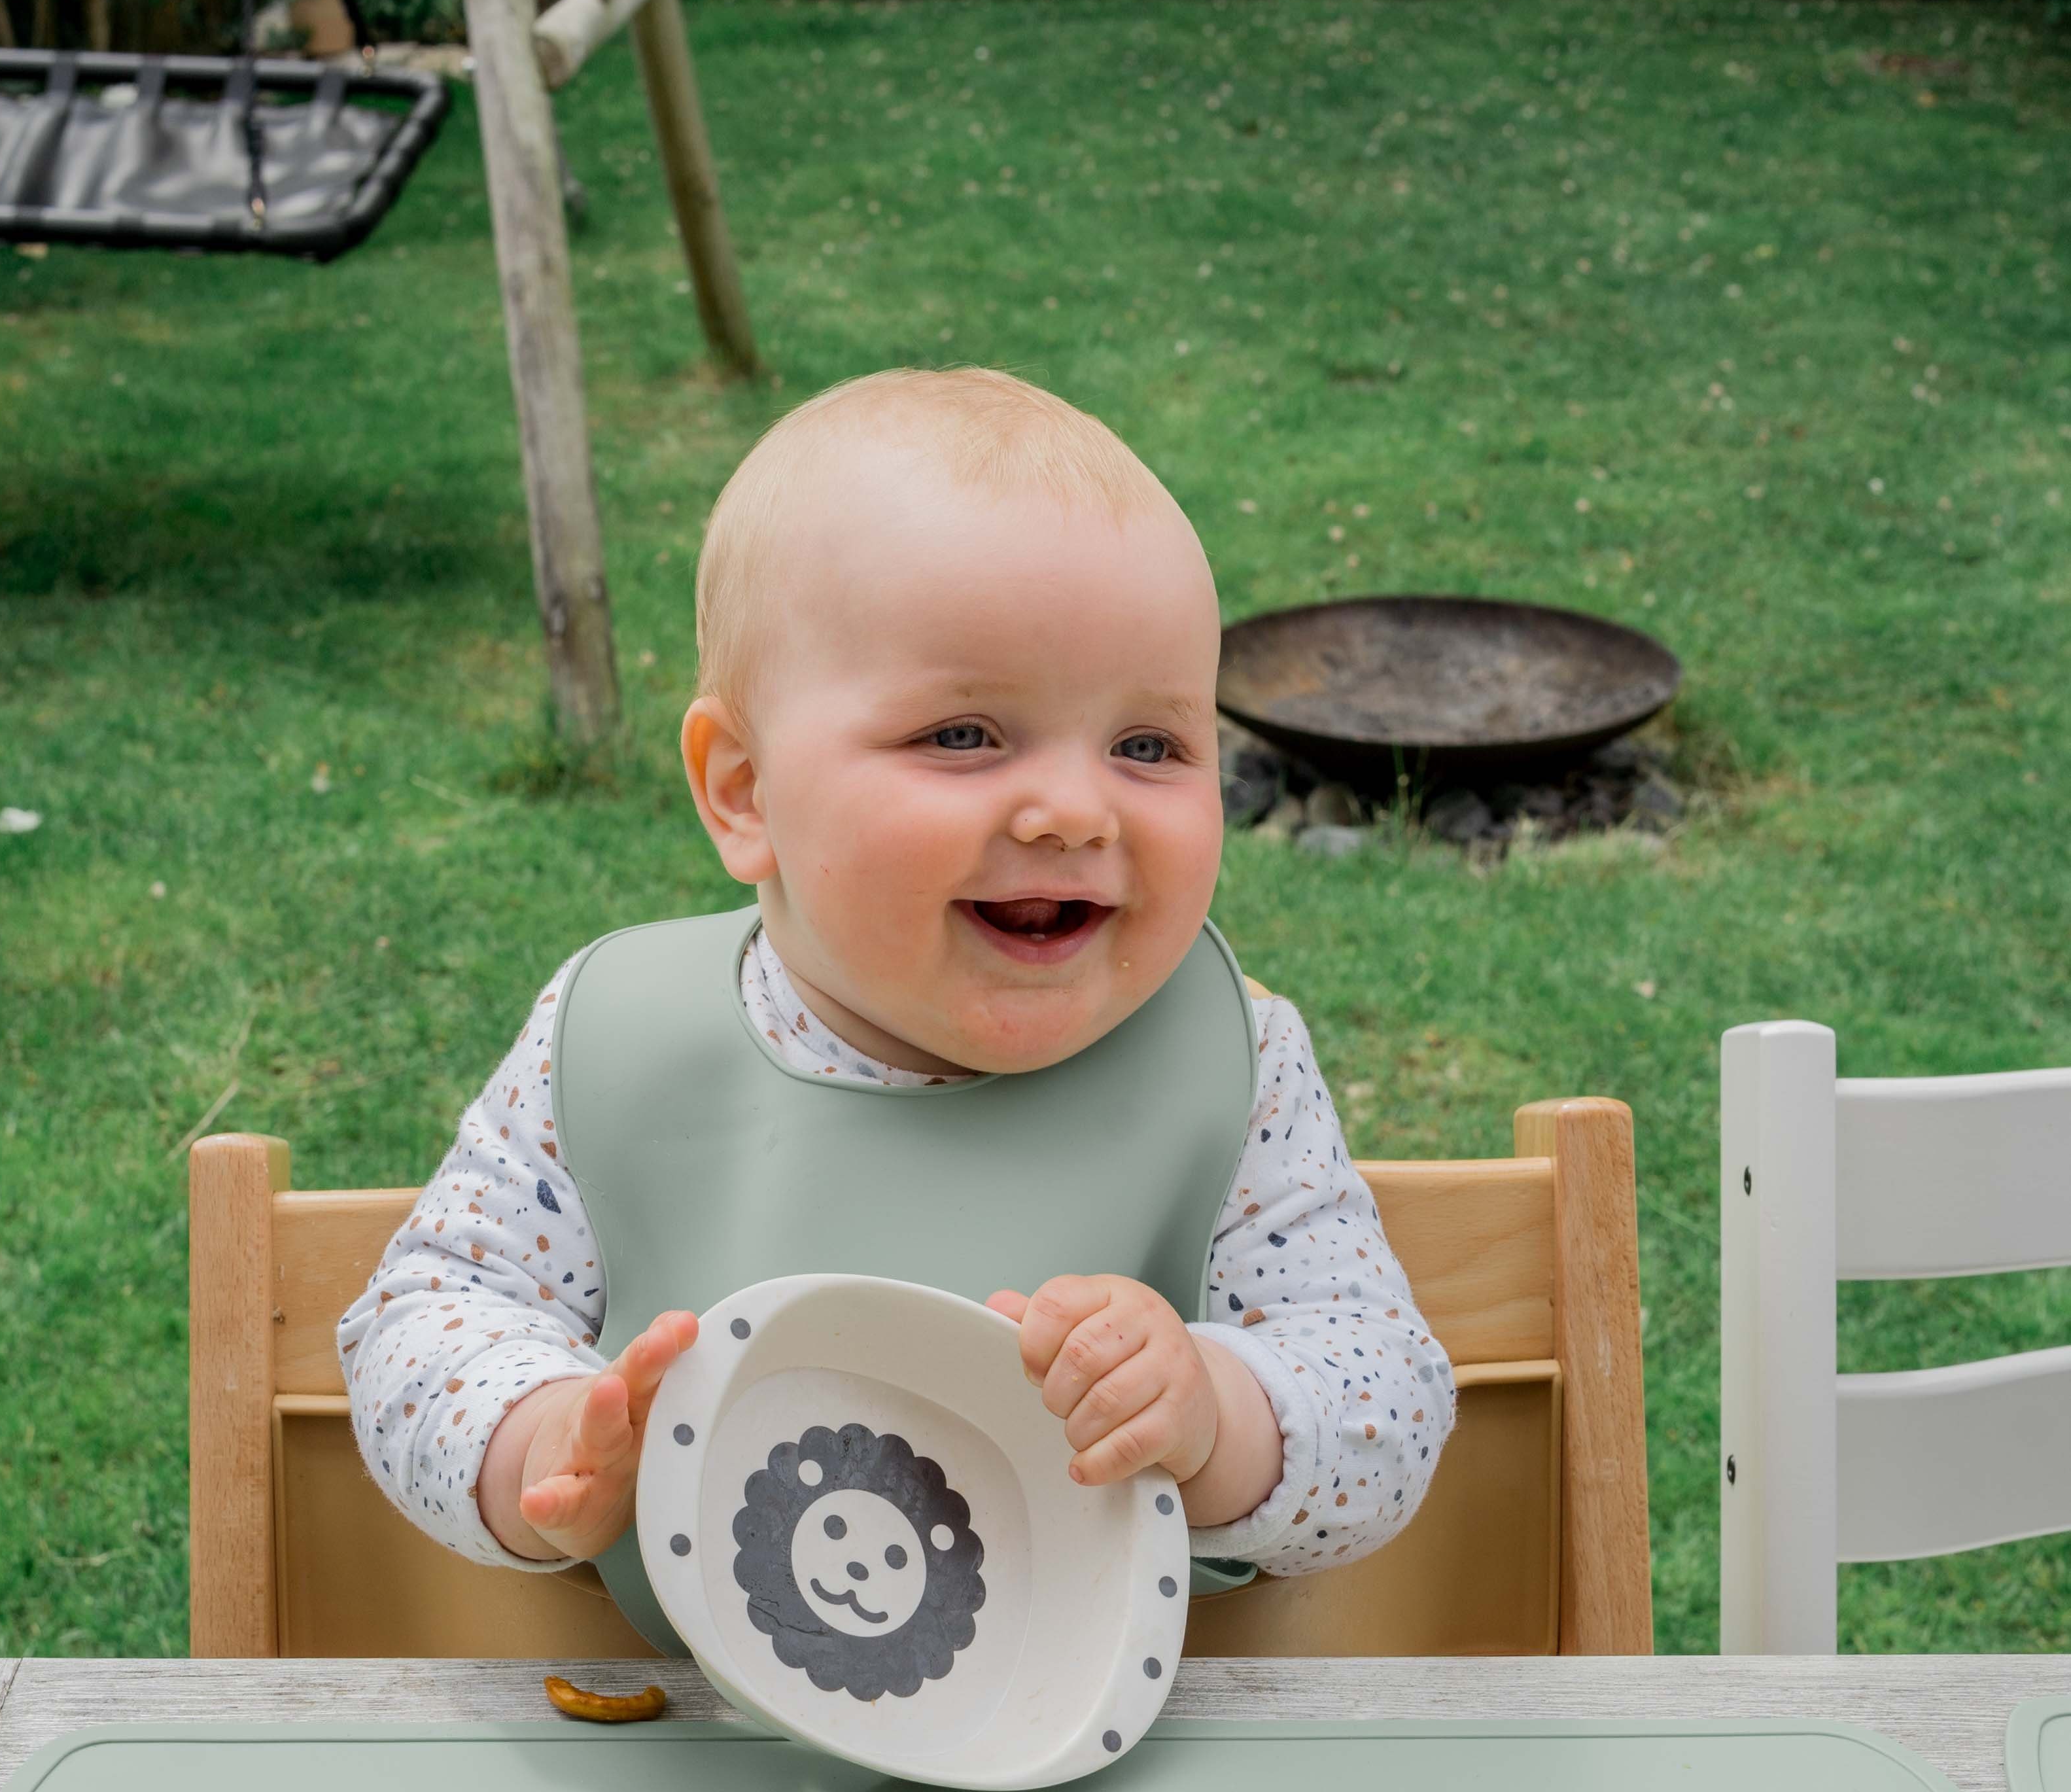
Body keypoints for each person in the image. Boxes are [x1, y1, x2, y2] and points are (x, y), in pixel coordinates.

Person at [340, 368, 1453, 1648]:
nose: (1074, 809)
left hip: (1120, 1753)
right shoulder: (619, 1040)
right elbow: (420, 1319)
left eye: (1148, 746)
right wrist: (537, 1438)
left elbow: (1390, 1394)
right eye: (966, 734)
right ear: (745, 791)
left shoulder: (1225, 1059)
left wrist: (1218, 1408)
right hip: (691, 1756)